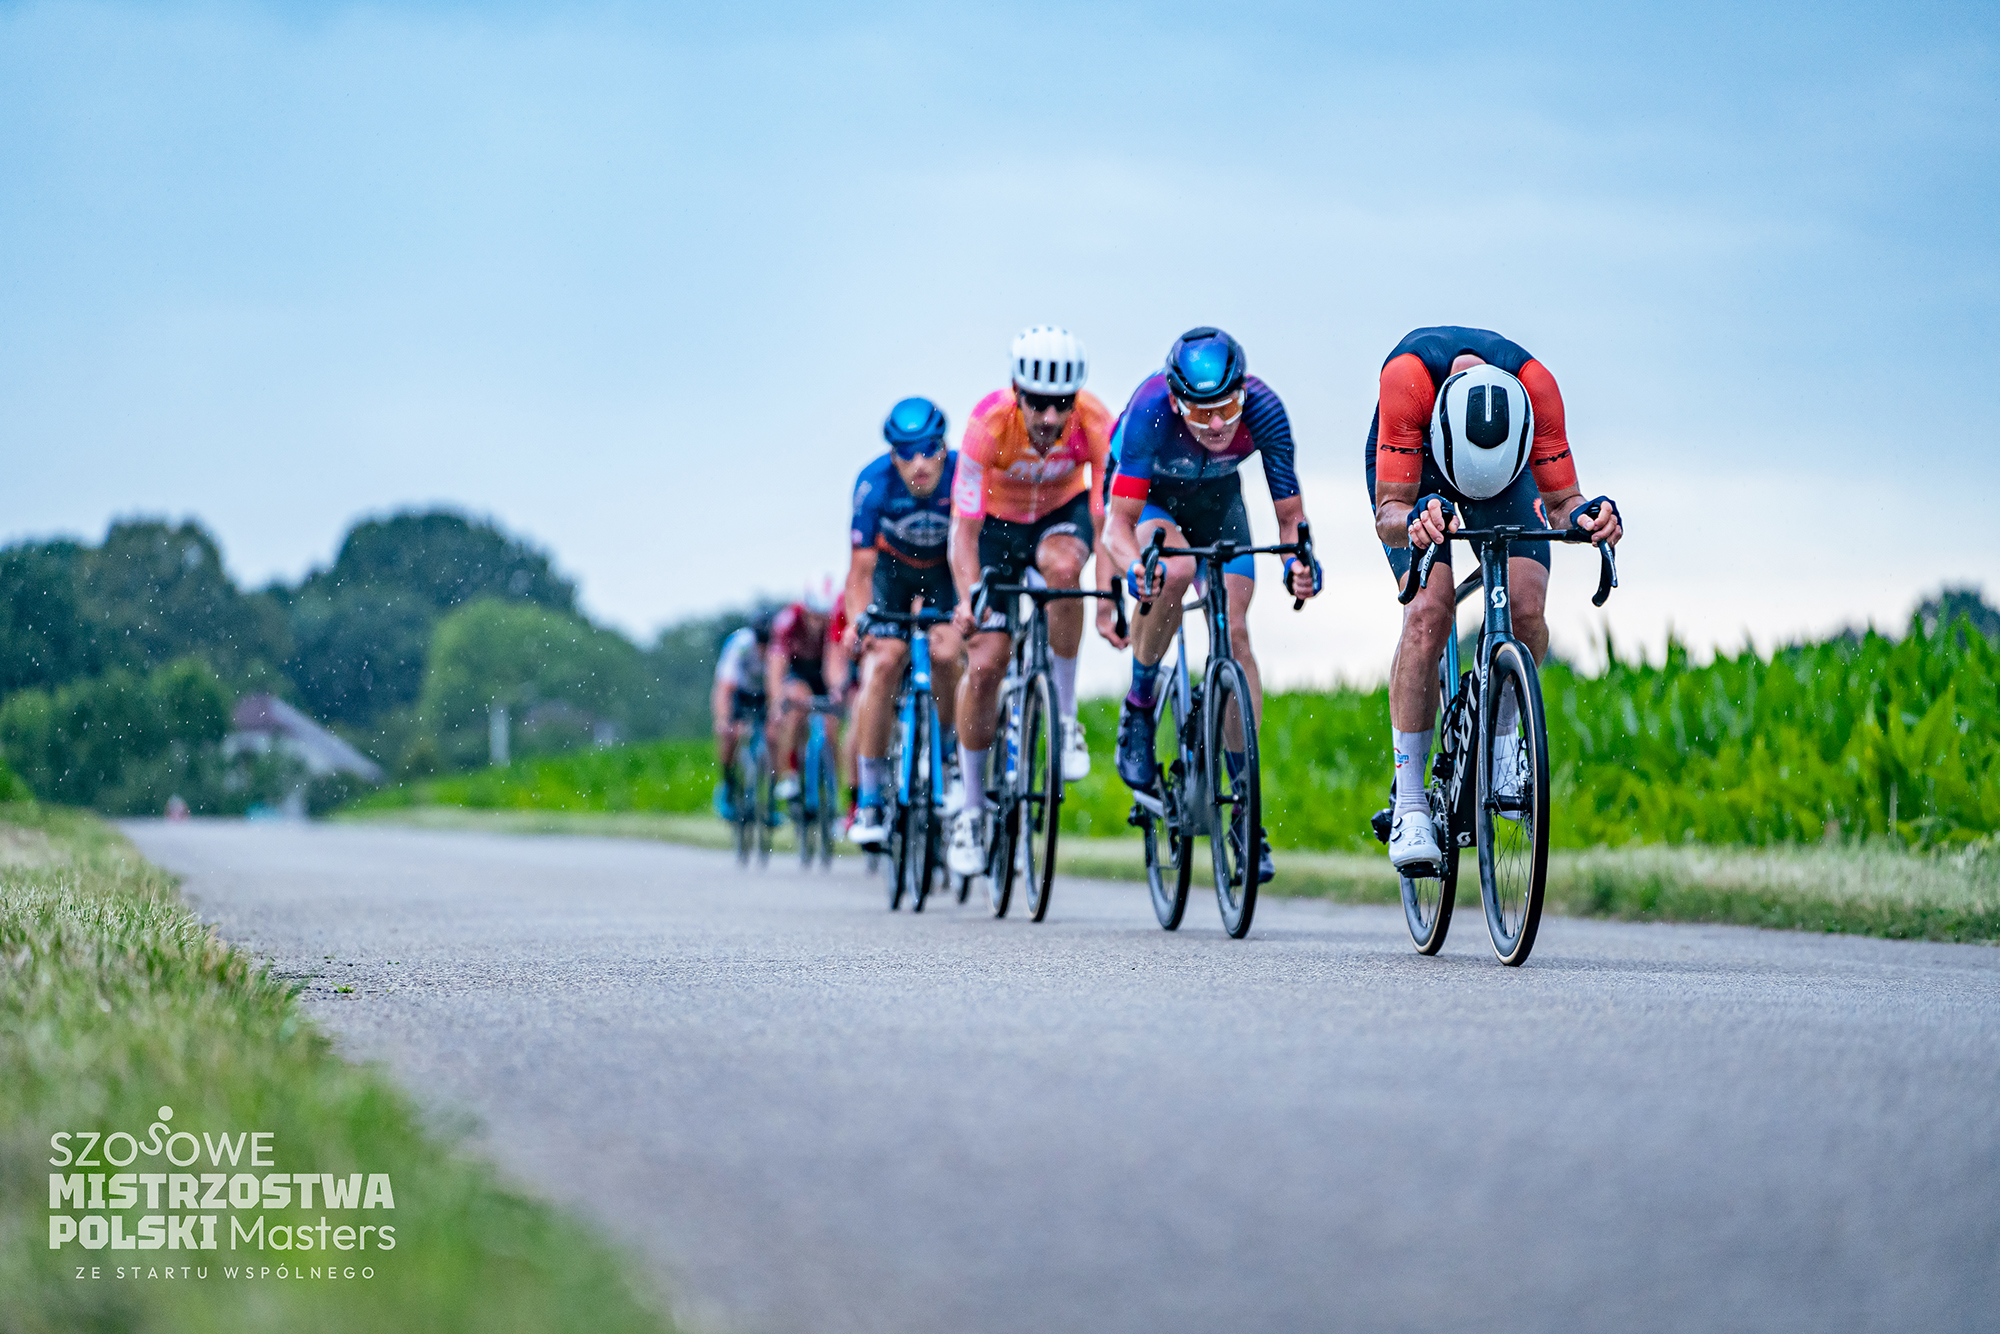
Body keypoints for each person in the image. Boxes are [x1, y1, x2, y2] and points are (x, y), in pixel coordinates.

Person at [1367, 325, 1622, 872]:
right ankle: (1410, 802)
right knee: (1429, 611)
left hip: (1509, 476)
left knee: (1526, 609)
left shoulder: (1536, 386)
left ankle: (1504, 738)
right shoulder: (1407, 379)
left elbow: (1563, 501)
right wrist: (1412, 521)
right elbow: (1389, 512)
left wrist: (1587, 517)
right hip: (1418, 470)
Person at [1102, 326, 1321, 884]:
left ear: (1243, 391)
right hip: (1151, 503)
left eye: (1227, 407)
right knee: (1173, 571)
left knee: (1236, 631)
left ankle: (1246, 811)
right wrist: (1135, 567)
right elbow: (1116, 527)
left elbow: (1290, 518)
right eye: (1202, 414)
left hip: (1219, 502)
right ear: (1177, 403)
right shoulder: (1150, 410)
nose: (1218, 424)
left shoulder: (1266, 409)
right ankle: (1140, 703)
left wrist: (1298, 565)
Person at [946, 326, 1114, 875]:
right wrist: (969, 600)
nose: (1049, 416)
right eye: (1038, 403)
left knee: (1064, 571)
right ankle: (972, 810)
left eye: (1061, 404)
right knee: (987, 661)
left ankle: (1063, 720)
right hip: (995, 529)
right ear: (1017, 393)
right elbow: (963, 532)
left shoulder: (1096, 422)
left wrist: (1107, 598)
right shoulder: (988, 425)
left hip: (1060, 516)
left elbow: (1105, 523)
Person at [843, 397, 965, 848]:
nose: (919, 463)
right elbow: (859, 572)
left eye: (929, 449)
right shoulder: (872, 484)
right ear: (892, 455)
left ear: (944, 447)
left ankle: (948, 755)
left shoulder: (963, 475)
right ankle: (871, 798)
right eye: (907, 453)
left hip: (945, 573)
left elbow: (973, 546)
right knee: (883, 664)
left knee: (946, 654)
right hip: (891, 577)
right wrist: (860, 623)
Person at [767, 580, 844, 803]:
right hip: (797, 671)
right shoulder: (788, 620)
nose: (819, 623)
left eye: (824, 617)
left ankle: (833, 788)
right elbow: (776, 666)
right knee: (796, 706)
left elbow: (835, 658)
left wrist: (837, 690)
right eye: (815, 616)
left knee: (831, 727)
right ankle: (790, 773)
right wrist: (777, 701)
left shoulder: (836, 619)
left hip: (823, 670)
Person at [710, 614, 772, 818]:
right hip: (738, 692)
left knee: (774, 737)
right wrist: (723, 720)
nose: (763, 650)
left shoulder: (778, 646)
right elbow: (724, 688)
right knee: (730, 735)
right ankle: (728, 784)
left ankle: (771, 800)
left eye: (767, 645)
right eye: (760, 644)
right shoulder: (741, 645)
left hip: (765, 694)